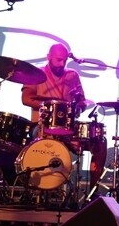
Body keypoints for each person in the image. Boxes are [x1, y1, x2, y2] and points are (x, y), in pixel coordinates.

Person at [21, 43, 107, 193]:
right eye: (59, 60)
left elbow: (82, 101)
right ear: (48, 57)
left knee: (99, 142)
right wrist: (49, 106)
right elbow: (26, 99)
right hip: (42, 126)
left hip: (67, 129)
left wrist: (78, 107)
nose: (62, 64)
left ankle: (93, 193)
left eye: (65, 60)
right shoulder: (36, 73)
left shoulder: (72, 75)